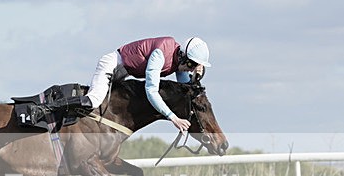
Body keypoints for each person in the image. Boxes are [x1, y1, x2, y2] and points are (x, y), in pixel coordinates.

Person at [29, 36, 211, 131]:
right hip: (112, 65)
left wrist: (197, 77)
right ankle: (45, 109)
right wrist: (173, 117)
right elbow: (151, 91)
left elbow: (187, 88)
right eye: (192, 65)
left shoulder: (180, 61)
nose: (190, 69)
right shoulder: (161, 53)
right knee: (93, 101)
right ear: (184, 58)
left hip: (123, 72)